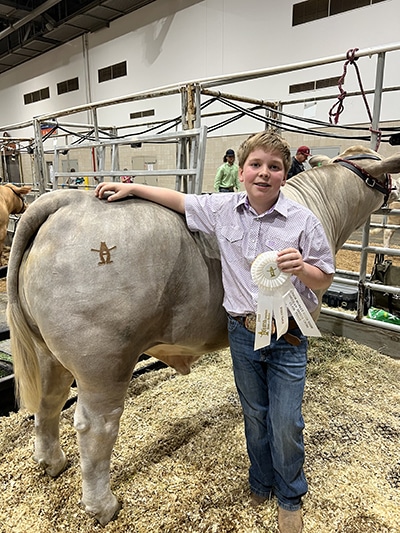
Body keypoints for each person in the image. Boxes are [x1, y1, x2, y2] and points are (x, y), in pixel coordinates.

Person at [95, 131, 335, 533]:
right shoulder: (223, 209)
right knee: (255, 415)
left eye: (274, 167)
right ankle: (261, 480)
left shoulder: (303, 221)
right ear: (241, 172)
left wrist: (301, 269)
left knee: (287, 420)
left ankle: (290, 496)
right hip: (243, 333)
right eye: (256, 165)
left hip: (288, 336)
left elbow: (324, 279)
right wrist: (132, 186)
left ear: (285, 173)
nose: (264, 174)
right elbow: (180, 200)